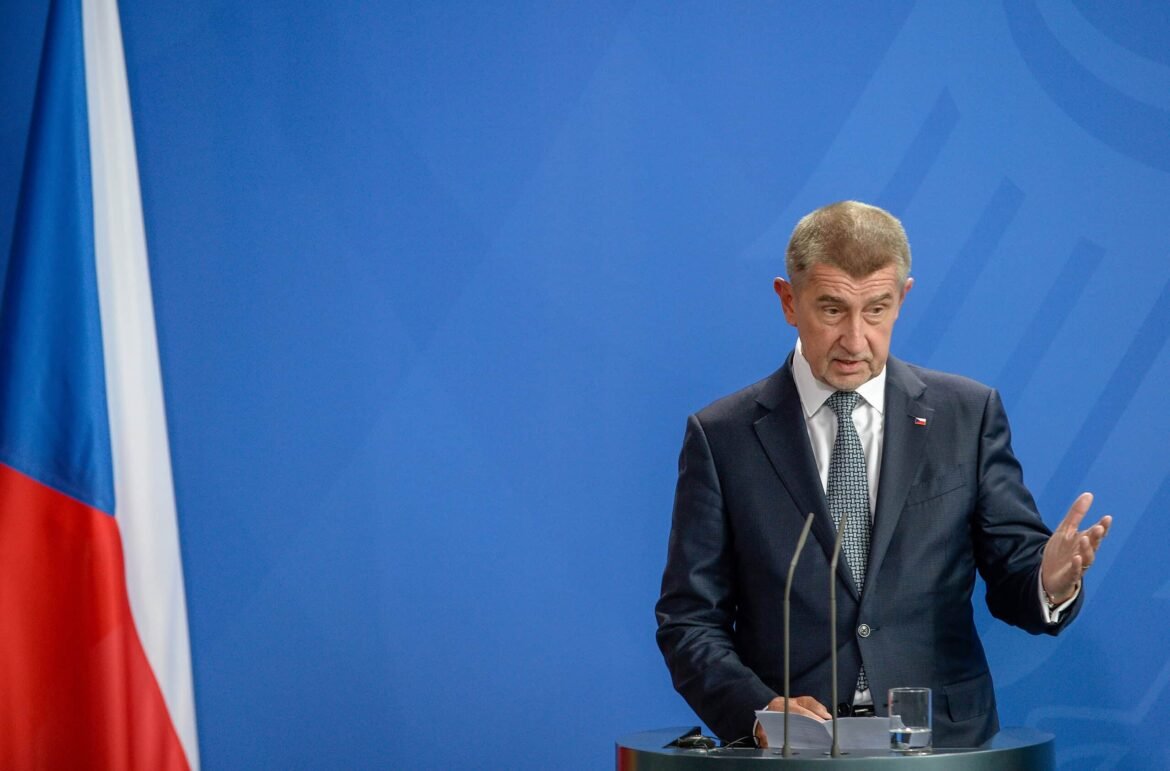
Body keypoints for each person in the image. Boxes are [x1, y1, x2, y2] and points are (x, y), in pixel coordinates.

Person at [654, 201, 1111, 748]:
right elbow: (689, 620)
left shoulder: (967, 415)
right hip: (794, 751)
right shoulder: (722, 436)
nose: (855, 339)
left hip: (941, 744)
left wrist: (1049, 581)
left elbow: (1014, 573)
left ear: (903, 298)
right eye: (832, 310)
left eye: (876, 310)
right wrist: (759, 711)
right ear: (788, 301)